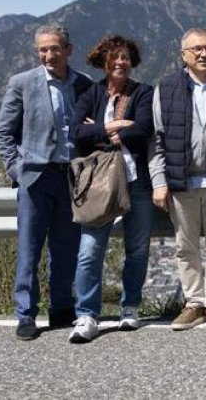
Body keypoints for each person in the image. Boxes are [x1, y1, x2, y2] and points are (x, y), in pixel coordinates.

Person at [0, 23, 93, 341]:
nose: (48, 55)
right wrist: (18, 170)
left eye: (54, 48)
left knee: (66, 249)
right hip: (36, 178)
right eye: (42, 50)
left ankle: (62, 307)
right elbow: (2, 132)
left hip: (71, 178)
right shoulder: (22, 83)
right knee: (29, 250)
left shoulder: (84, 85)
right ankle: (25, 315)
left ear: (68, 50)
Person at [148, 28, 206, 331]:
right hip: (182, 181)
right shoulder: (166, 87)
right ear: (183, 54)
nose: (204, 54)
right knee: (185, 246)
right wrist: (159, 180)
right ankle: (193, 303)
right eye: (196, 49)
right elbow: (157, 139)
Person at [67, 35, 155, 343]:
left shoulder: (143, 92)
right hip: (100, 183)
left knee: (137, 249)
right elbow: (77, 133)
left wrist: (100, 132)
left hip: (137, 181)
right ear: (103, 61)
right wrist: (113, 127)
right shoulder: (90, 93)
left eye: (126, 57)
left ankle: (129, 307)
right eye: (114, 58)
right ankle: (87, 314)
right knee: (90, 251)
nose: (121, 62)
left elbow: (144, 129)